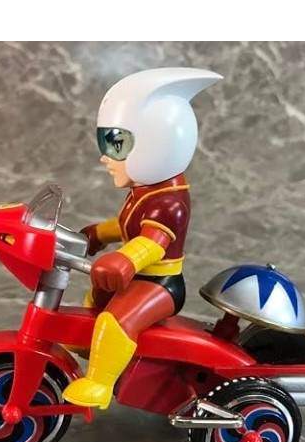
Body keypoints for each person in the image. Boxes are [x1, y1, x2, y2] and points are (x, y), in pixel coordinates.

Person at [63, 67, 222, 409]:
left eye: (116, 144)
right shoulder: (145, 191)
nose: (105, 156)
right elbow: (127, 226)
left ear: (156, 145)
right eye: (105, 142)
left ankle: (99, 384)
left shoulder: (169, 202)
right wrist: (98, 233)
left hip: (160, 285)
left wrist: (125, 258)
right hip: (138, 277)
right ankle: (104, 352)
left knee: (114, 320)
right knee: (94, 300)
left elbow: (152, 242)